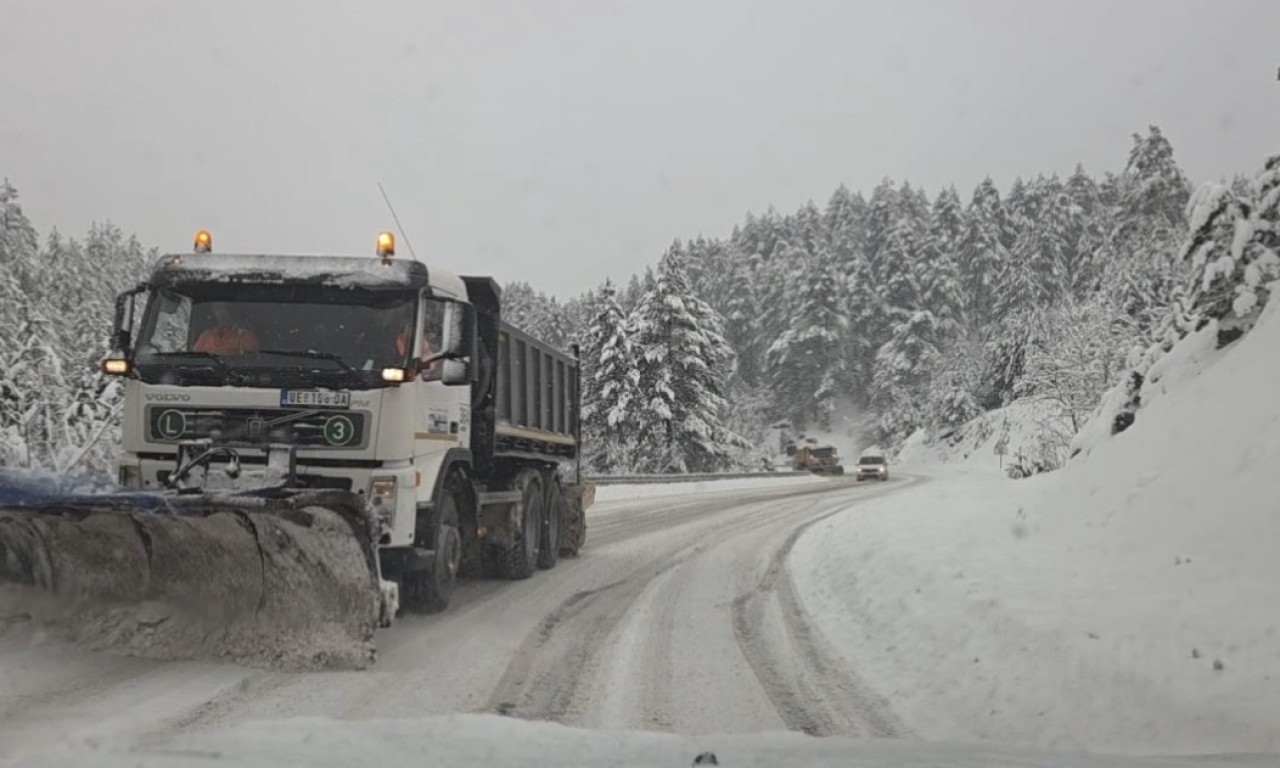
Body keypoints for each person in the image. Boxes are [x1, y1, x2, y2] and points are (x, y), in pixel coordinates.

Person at [193, 303, 259, 354]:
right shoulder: (205, 336)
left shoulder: (245, 336)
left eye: (223, 309)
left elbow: (249, 362)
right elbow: (195, 361)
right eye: (217, 310)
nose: (220, 314)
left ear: (232, 311)